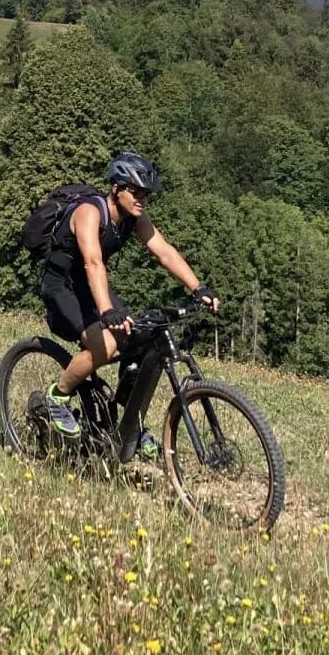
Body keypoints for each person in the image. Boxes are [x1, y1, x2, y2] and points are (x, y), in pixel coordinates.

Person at [39, 152, 217, 457]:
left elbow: (164, 252)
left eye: (145, 194)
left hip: (91, 286)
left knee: (141, 338)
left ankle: (128, 423)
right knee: (106, 346)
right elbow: (93, 263)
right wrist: (108, 311)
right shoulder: (89, 212)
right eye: (134, 191)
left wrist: (198, 287)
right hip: (62, 286)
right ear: (115, 188)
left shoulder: (134, 218)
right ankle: (57, 396)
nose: (141, 199)